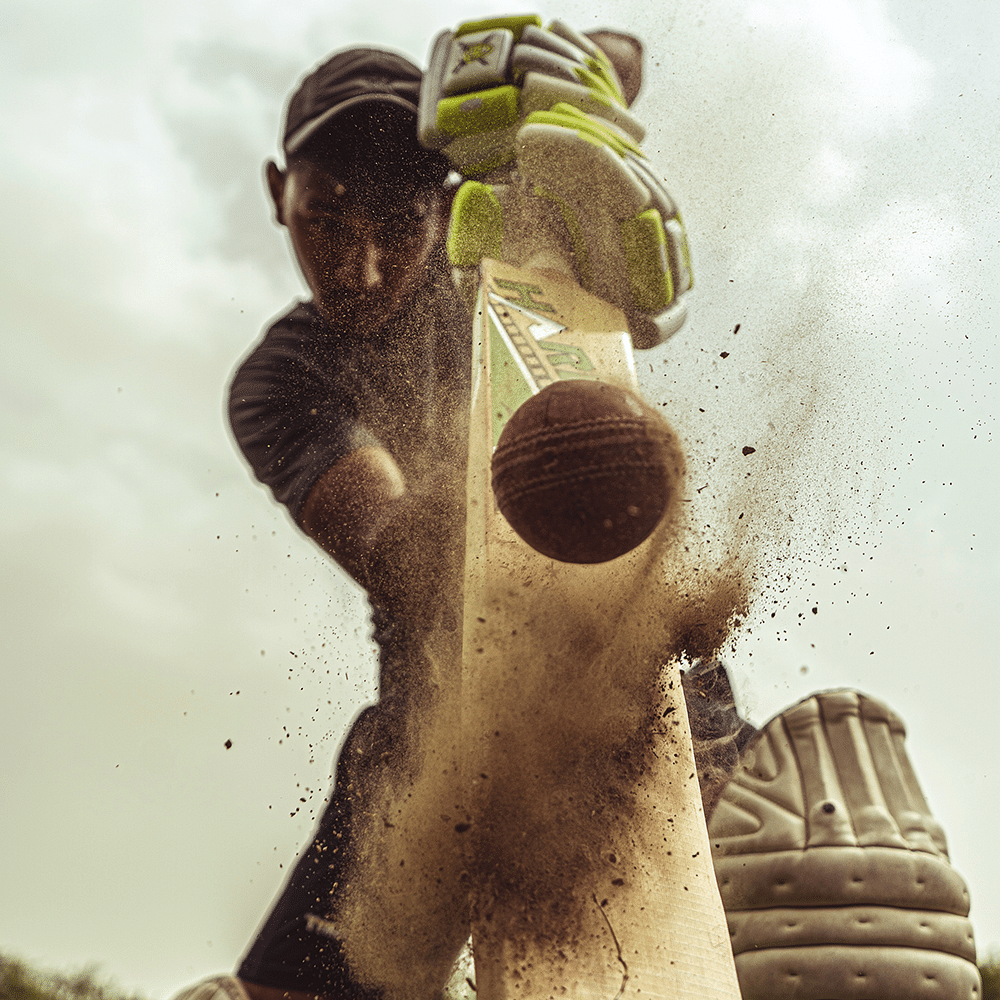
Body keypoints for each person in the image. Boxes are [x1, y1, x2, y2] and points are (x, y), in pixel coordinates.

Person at [172, 21, 979, 1000]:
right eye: (327, 219)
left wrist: (573, 77)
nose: (365, 263)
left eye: (399, 222)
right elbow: (392, 546)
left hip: (646, 701)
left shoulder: (517, 281)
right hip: (435, 741)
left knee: (823, 874)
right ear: (276, 194)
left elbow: (618, 51)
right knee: (358, 825)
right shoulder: (283, 374)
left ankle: (764, 819)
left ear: (448, 199)